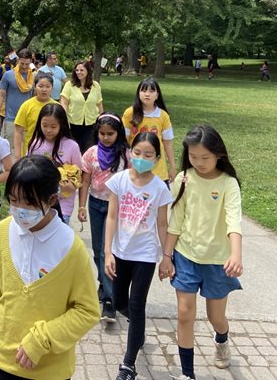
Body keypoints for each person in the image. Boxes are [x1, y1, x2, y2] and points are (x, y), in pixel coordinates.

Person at [0, 156, 100, 380]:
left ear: (52, 199)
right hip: (3, 363)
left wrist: (43, 339)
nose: (20, 209)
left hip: (51, 371)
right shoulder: (0, 233)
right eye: (13, 200)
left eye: (29, 203)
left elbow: (88, 311)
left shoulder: (71, 248)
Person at [161, 125, 243, 380]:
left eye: (205, 158)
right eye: (193, 157)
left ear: (218, 154)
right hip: (186, 256)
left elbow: (233, 221)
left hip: (218, 260)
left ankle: (222, 339)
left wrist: (236, 254)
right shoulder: (184, 179)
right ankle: (188, 373)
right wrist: (166, 256)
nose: (199, 163)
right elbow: (175, 219)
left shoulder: (229, 184)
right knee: (185, 314)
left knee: (215, 317)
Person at [103, 133, 173, 380]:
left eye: (148, 155)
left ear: (156, 158)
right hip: (120, 253)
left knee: (136, 304)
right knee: (120, 302)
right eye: (137, 153)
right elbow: (111, 217)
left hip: (145, 255)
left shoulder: (159, 188)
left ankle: (128, 365)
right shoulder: (119, 180)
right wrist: (107, 251)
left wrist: (167, 256)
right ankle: (138, 330)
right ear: (129, 152)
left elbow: (163, 224)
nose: (141, 158)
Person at [76, 113, 130, 323]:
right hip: (95, 204)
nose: (106, 137)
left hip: (117, 207)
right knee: (98, 249)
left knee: (110, 250)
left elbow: (132, 180)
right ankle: (103, 282)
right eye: (102, 133)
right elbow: (86, 181)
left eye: (111, 134)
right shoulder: (90, 153)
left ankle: (109, 300)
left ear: (119, 134)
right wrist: (81, 206)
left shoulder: (126, 155)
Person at [25, 103, 82, 224]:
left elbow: (78, 175)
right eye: (44, 125)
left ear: (62, 125)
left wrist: (71, 185)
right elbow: (26, 170)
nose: (48, 130)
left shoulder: (72, 146)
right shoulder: (35, 145)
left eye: (53, 126)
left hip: (63, 205)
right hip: (38, 203)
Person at [121, 77, 176, 184]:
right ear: (138, 93)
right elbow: (124, 141)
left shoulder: (163, 115)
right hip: (135, 165)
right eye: (144, 90)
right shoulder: (129, 113)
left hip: (158, 169)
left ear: (157, 95)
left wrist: (172, 166)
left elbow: (168, 143)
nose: (147, 94)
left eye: (152, 91)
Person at [0, 49, 35, 152]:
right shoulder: (8, 75)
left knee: (27, 149)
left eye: (27, 64)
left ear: (31, 61)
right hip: (11, 117)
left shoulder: (33, 76)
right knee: (8, 148)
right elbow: (1, 94)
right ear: (18, 60)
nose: (25, 66)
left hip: (28, 118)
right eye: (22, 63)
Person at [60, 61, 104, 154]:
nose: (79, 72)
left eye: (81, 70)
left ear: (88, 71)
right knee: (73, 151)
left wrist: (102, 118)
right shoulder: (70, 85)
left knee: (88, 151)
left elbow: (99, 103)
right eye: (77, 70)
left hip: (91, 125)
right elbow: (64, 102)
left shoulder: (95, 86)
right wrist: (64, 119)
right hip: (73, 125)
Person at [13, 72, 56, 157]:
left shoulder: (57, 107)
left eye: (47, 86)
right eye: (40, 86)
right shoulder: (27, 105)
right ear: (35, 87)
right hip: (30, 152)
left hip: (52, 152)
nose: (44, 90)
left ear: (52, 88)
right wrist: (18, 156)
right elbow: (18, 132)